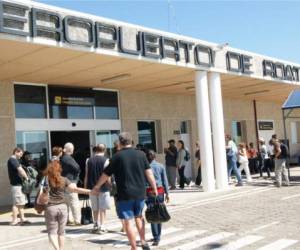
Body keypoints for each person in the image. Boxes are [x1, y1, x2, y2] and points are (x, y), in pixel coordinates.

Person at [92, 132, 158, 250]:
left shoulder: (117, 157)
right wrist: (154, 188)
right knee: (139, 217)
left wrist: (97, 186)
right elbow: (149, 173)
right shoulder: (141, 154)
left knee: (128, 221)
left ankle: (133, 247)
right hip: (140, 192)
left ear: (120, 142)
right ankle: (143, 241)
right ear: (131, 141)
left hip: (124, 194)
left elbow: (106, 174)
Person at [43, 160, 91, 250]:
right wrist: (89, 191)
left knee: (52, 232)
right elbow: (74, 189)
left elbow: (41, 194)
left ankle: (57, 249)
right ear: (59, 169)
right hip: (63, 207)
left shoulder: (46, 180)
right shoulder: (64, 179)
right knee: (61, 232)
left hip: (51, 207)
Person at [84, 144, 111, 233]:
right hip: (103, 187)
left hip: (91, 187)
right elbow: (107, 175)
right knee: (102, 208)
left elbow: (86, 175)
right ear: (104, 150)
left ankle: (95, 224)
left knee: (95, 207)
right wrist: (110, 185)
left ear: (96, 150)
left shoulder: (88, 160)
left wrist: (85, 187)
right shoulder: (106, 160)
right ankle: (102, 226)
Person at [145, 150, 170, 246]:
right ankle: (157, 236)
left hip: (149, 192)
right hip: (159, 192)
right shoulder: (160, 166)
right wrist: (167, 193)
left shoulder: (145, 167)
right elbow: (165, 181)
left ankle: (156, 236)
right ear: (155, 156)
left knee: (152, 214)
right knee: (158, 213)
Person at [7, 147, 30, 225]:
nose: (21, 156)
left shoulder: (14, 160)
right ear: (16, 152)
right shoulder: (12, 160)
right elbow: (20, 170)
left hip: (18, 185)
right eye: (20, 154)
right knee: (16, 204)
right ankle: (14, 220)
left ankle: (22, 218)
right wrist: (26, 178)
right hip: (16, 185)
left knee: (21, 203)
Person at [60, 143, 81, 226]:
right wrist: (76, 178)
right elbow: (77, 167)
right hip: (70, 182)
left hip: (64, 182)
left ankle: (69, 219)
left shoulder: (63, 158)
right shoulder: (68, 158)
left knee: (66, 202)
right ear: (71, 149)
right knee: (74, 202)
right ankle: (77, 220)